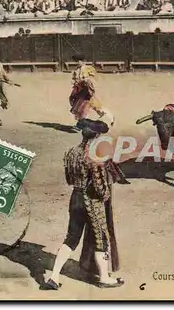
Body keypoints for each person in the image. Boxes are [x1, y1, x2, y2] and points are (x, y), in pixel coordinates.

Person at [46, 119, 124, 290]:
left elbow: (69, 179)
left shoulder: (71, 152)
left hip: (75, 197)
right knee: (101, 238)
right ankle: (104, 277)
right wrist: (105, 196)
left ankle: (54, 275)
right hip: (91, 200)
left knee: (72, 237)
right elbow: (99, 185)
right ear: (96, 136)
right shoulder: (95, 155)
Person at [69, 53, 114, 130]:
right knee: (83, 108)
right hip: (81, 92)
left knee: (87, 108)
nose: (78, 62)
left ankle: (110, 118)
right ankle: (80, 125)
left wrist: (87, 80)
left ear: (83, 61)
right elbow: (74, 81)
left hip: (87, 92)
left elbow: (94, 79)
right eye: (77, 61)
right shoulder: (76, 70)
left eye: (79, 61)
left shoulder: (89, 68)